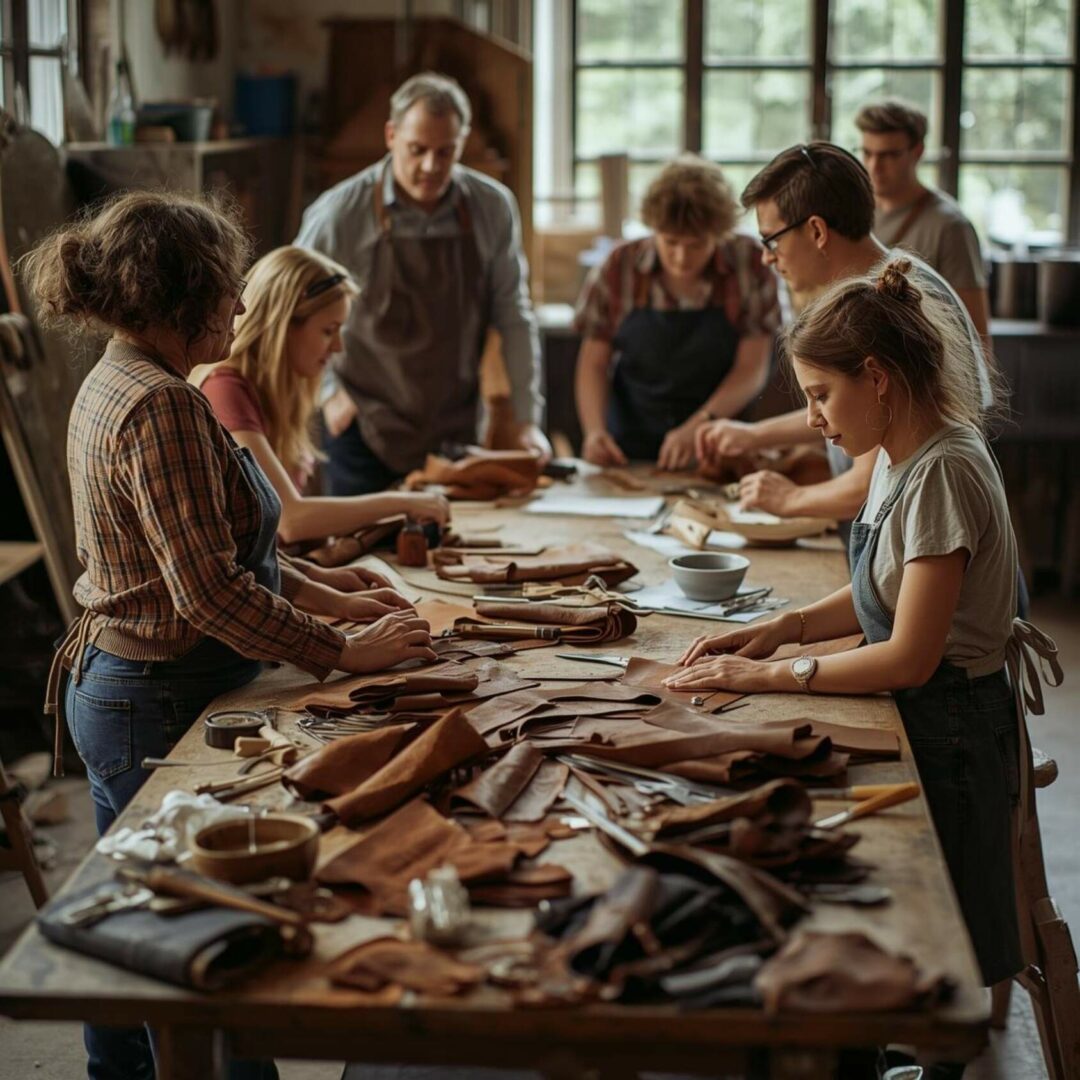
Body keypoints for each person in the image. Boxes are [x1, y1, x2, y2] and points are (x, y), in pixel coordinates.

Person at [25, 191, 435, 1080]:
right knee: (192, 944)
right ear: (177, 296)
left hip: (139, 684)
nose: (241, 309)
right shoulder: (163, 406)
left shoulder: (121, 377)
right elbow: (208, 592)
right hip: (155, 698)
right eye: (225, 290)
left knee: (145, 925)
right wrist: (341, 654)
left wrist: (345, 601)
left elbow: (227, 561)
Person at [666, 258, 1061, 1076]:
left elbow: (912, 655)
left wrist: (767, 680)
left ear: (876, 378)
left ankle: (928, 1064)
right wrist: (781, 629)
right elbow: (880, 591)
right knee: (891, 908)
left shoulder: (944, 469)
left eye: (818, 394)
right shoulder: (894, 453)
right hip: (924, 707)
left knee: (935, 927)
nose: (811, 418)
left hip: (952, 722)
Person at [695, 142, 992, 525]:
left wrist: (789, 499)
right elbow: (848, 407)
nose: (768, 257)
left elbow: (865, 487)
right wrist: (753, 436)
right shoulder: (883, 286)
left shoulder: (883, 311)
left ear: (817, 230)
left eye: (772, 240)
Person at [295, 71, 550, 495]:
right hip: (362, 422)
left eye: (445, 152)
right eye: (417, 150)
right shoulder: (339, 213)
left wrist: (527, 421)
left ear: (462, 143)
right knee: (364, 555)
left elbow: (515, 316)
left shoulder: (492, 207)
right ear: (391, 135)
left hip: (453, 424)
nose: (431, 167)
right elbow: (290, 309)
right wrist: (329, 393)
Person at [190, 245, 450, 545]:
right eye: (329, 330)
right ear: (284, 325)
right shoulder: (226, 389)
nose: (338, 347)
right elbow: (290, 519)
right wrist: (403, 503)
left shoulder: (278, 392)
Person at [573, 155, 778, 469]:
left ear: (720, 233)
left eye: (696, 245)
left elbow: (752, 367)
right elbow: (593, 361)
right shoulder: (620, 267)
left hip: (719, 440)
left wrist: (700, 424)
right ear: (652, 228)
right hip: (629, 441)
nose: (681, 258)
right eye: (670, 243)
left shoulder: (750, 265)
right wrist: (594, 432)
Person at [856, 99, 991, 348]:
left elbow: (976, 336)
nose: (875, 166)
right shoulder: (854, 215)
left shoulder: (950, 226)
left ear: (917, 152)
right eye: (867, 153)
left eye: (889, 155)